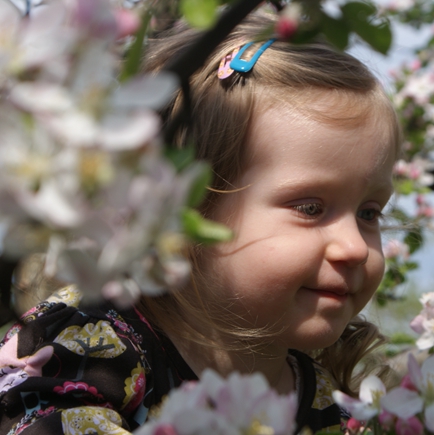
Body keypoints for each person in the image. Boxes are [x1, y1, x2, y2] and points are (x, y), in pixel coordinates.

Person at [0, 9, 401, 435]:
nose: (355, 246)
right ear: (189, 208)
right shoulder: (92, 341)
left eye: (369, 213)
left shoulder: (326, 404)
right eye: (310, 208)